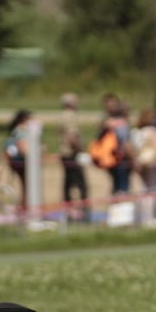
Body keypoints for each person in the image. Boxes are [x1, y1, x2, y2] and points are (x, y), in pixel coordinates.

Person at [58, 93, 89, 221]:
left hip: (65, 154)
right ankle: (82, 213)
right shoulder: (70, 116)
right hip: (71, 154)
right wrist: (81, 151)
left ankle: (69, 212)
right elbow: (72, 137)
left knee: (68, 184)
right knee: (80, 185)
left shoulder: (62, 115)